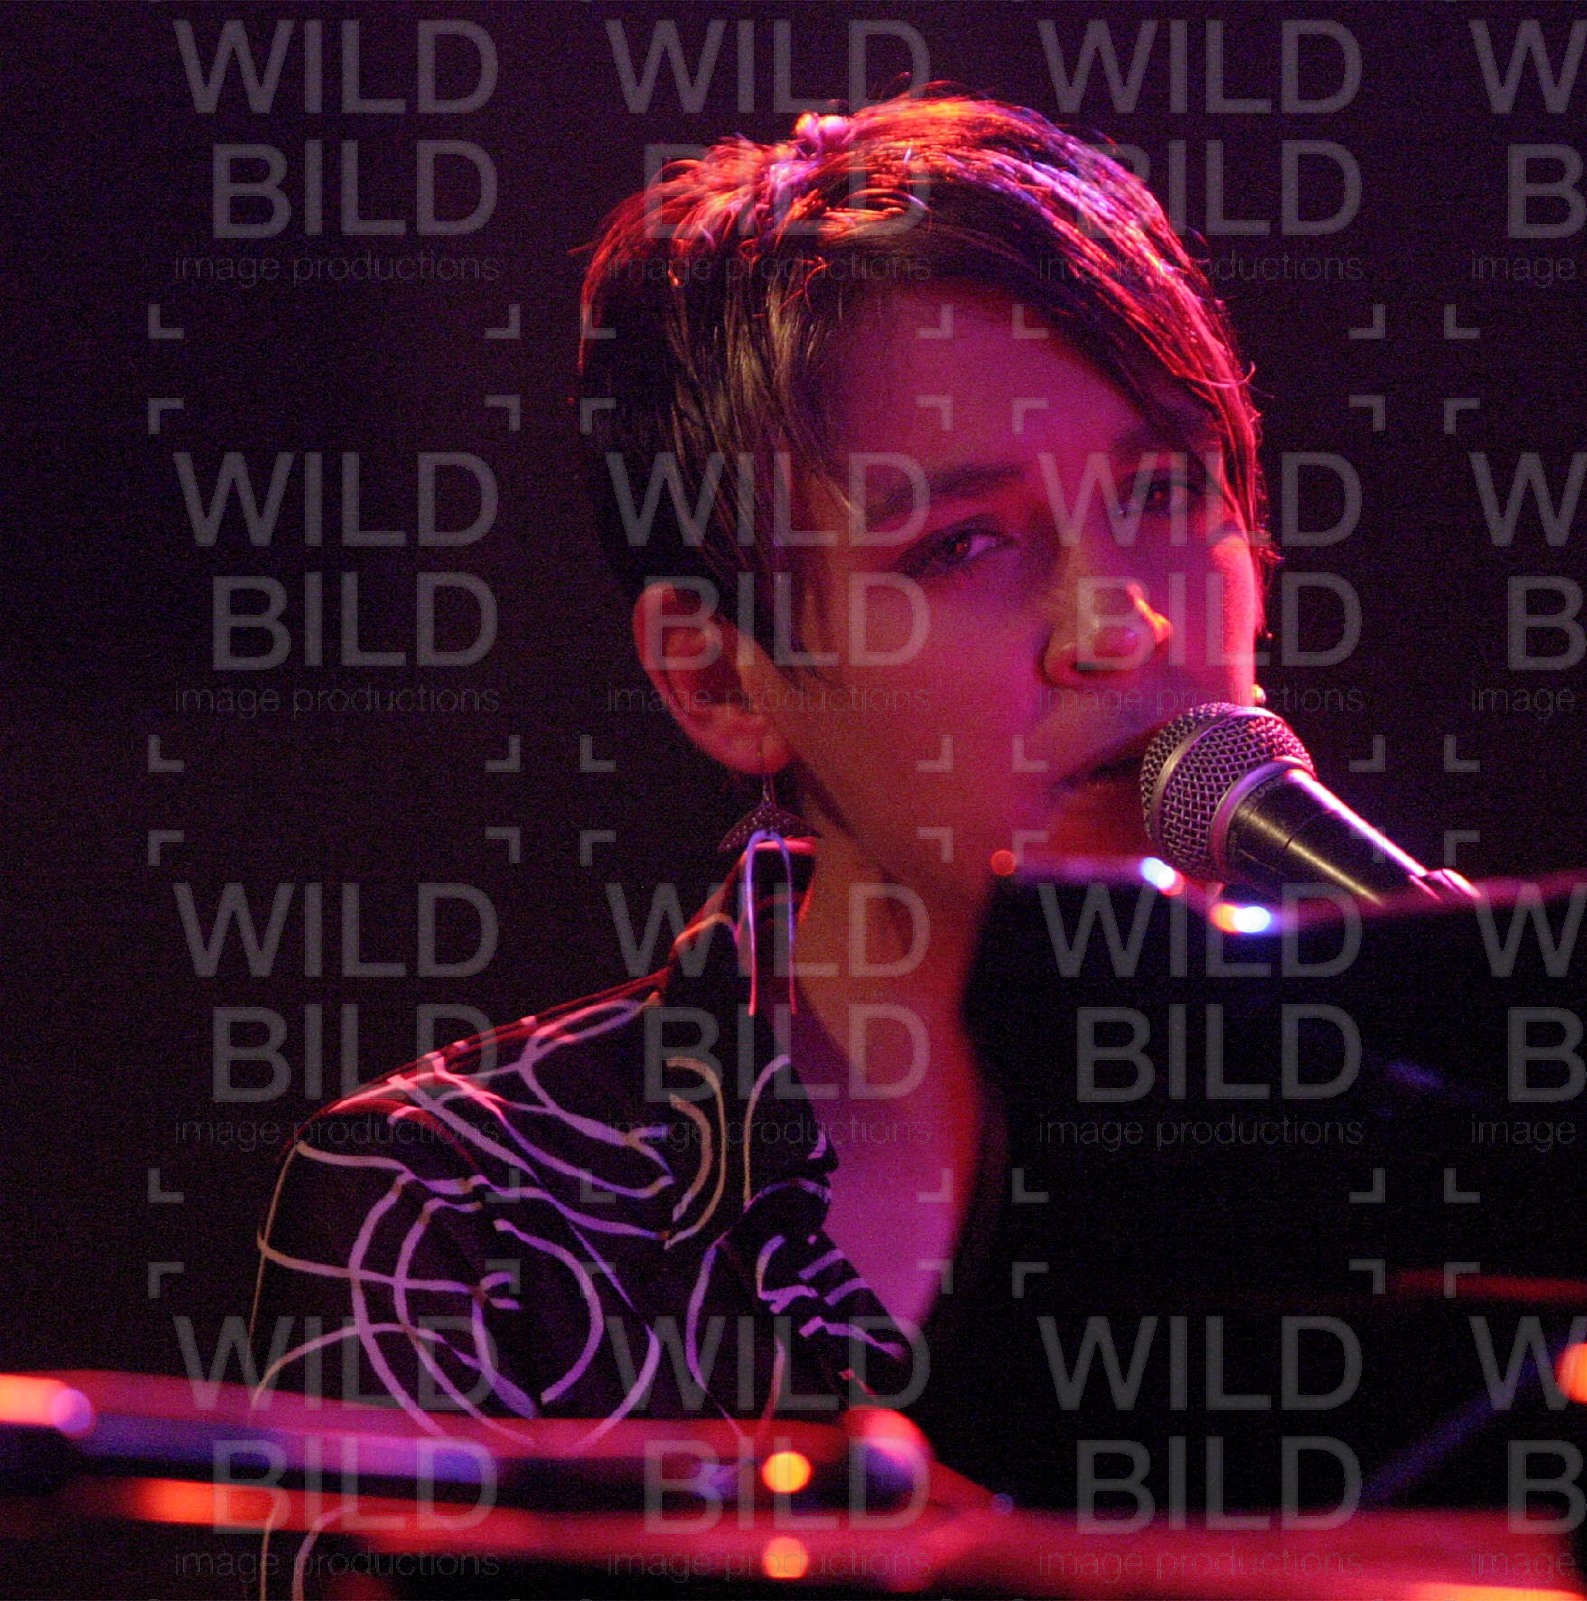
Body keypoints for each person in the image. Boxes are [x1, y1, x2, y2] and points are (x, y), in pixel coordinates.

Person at [249, 91, 1274, 1431]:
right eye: (964, 544)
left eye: (1165, 490)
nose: (1120, 623)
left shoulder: (1410, 1123)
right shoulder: (467, 1207)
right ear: (721, 679)